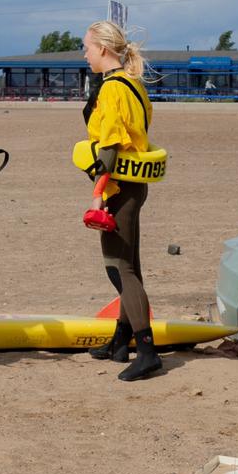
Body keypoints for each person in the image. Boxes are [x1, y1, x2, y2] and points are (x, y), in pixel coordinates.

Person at [80, 19, 161, 382]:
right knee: (131, 265)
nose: (85, 55)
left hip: (118, 187)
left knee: (119, 268)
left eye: (87, 47)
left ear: (102, 49)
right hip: (134, 185)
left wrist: (97, 195)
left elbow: (109, 147)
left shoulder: (112, 89)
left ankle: (147, 352)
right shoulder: (133, 84)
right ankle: (120, 341)